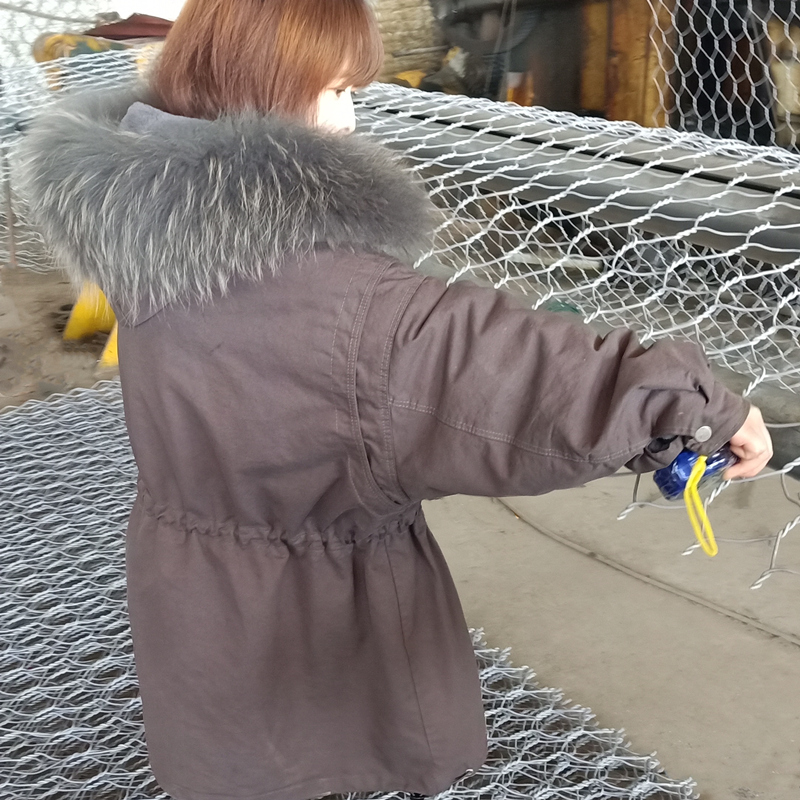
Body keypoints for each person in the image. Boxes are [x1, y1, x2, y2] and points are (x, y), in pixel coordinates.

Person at [19, 1, 772, 799]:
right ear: (263, 84)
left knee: (237, 749)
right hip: (320, 604)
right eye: (337, 90)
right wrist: (696, 409)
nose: (349, 120)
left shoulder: (144, 228)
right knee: (320, 739)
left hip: (189, 578)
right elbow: (502, 371)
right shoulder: (349, 302)